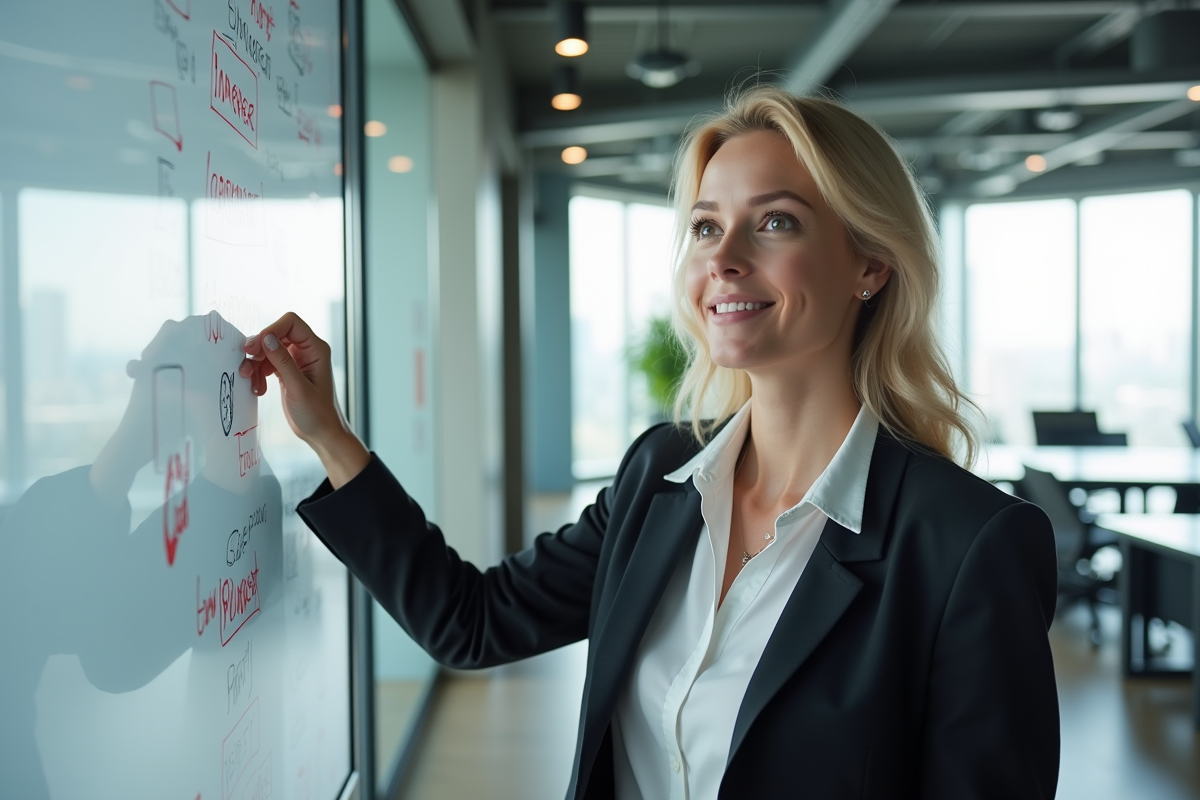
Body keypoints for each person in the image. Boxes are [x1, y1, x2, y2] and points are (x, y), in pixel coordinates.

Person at [240, 86, 1059, 799]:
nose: (725, 261)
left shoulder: (968, 545)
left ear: (870, 266)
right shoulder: (660, 476)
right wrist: (331, 437)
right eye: (707, 227)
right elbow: (472, 621)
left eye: (774, 222)